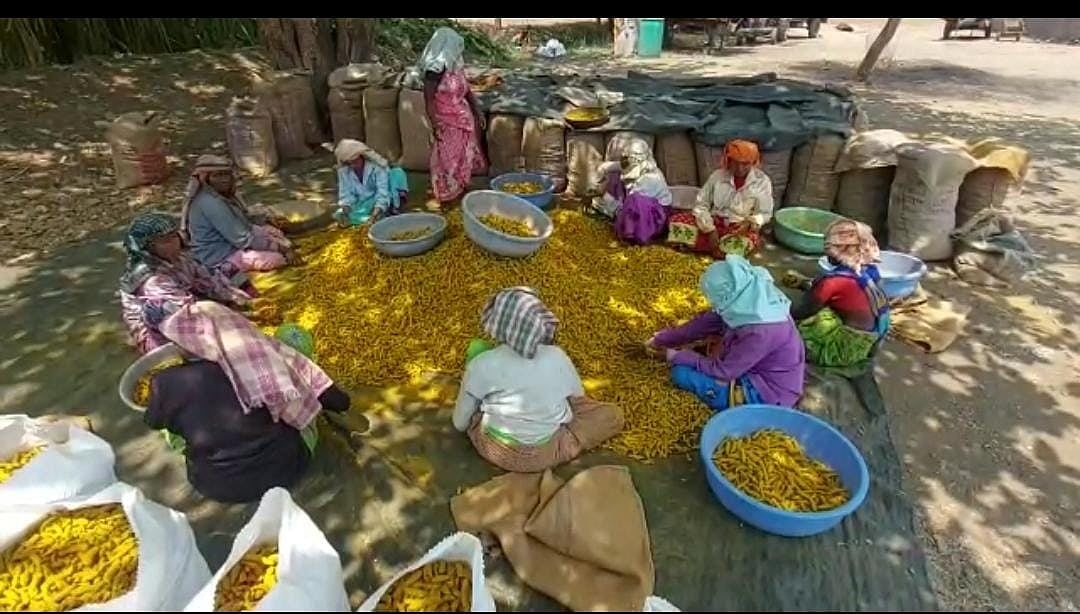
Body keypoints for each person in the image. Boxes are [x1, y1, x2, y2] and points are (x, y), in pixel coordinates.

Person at [144, 324, 350, 503]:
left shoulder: (164, 381)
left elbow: (152, 421)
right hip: (287, 469)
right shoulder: (257, 361)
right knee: (292, 336)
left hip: (213, 484)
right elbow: (339, 401)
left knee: (170, 426)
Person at [453, 287, 624, 473]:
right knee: (612, 416)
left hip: (494, 450)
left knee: (476, 361)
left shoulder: (482, 364)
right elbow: (578, 397)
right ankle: (567, 439)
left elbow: (459, 424)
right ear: (540, 324)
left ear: (496, 323)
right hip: (547, 453)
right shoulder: (557, 356)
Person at [646, 256, 805, 411]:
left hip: (767, 392)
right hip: (751, 363)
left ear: (728, 298)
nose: (714, 306)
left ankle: (741, 403)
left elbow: (724, 372)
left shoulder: (761, 332)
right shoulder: (750, 297)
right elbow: (704, 324)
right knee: (708, 344)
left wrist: (678, 356)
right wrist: (663, 338)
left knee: (681, 373)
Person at [119, 212, 252, 355]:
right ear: (147, 248)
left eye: (174, 236)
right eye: (165, 241)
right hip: (162, 328)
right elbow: (185, 315)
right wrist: (230, 317)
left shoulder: (180, 259)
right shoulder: (151, 280)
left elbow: (209, 277)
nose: (174, 243)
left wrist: (236, 296)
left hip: (187, 300)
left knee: (226, 270)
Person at [791, 219, 891, 369]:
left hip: (842, 349)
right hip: (867, 342)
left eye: (829, 246)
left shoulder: (833, 282)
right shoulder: (869, 270)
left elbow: (802, 311)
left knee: (790, 328)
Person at [181, 154, 296, 276]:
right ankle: (227, 270)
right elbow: (242, 239)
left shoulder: (222, 194)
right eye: (217, 176)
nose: (224, 179)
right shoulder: (210, 203)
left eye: (226, 174)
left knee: (274, 233)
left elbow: (244, 218)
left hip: (234, 238)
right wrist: (282, 249)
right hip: (219, 254)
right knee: (277, 259)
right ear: (206, 179)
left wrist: (267, 219)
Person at [667, 139, 774, 259]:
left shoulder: (762, 182)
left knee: (745, 241)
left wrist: (751, 222)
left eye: (745, 164)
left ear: (753, 163)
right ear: (728, 160)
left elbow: (765, 213)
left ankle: (712, 248)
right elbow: (701, 205)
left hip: (738, 228)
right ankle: (716, 249)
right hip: (713, 223)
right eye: (736, 163)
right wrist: (710, 229)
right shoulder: (717, 176)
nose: (739, 168)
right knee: (677, 220)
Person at [419, 27, 487, 206]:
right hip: (446, 121)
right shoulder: (434, 70)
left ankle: (461, 187)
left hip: (463, 118)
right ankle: (447, 194)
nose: (459, 50)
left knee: (464, 156)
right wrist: (435, 125)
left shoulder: (454, 63)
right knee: (448, 160)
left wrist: (476, 109)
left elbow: (466, 89)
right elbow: (428, 100)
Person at [589, 138, 674, 245]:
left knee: (635, 201)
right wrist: (601, 170)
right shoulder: (633, 166)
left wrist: (604, 195)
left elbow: (629, 209)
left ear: (637, 160)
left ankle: (632, 235)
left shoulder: (648, 180)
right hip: (632, 207)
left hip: (653, 219)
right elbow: (616, 166)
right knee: (615, 176)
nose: (624, 162)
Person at [333, 139, 410, 227]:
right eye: (349, 163)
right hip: (364, 202)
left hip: (381, 196)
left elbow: (382, 192)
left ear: (361, 156)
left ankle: (393, 208)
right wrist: (345, 211)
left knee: (397, 174)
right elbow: (345, 194)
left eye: (355, 161)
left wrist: (374, 216)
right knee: (340, 215)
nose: (352, 165)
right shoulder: (344, 171)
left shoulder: (377, 167)